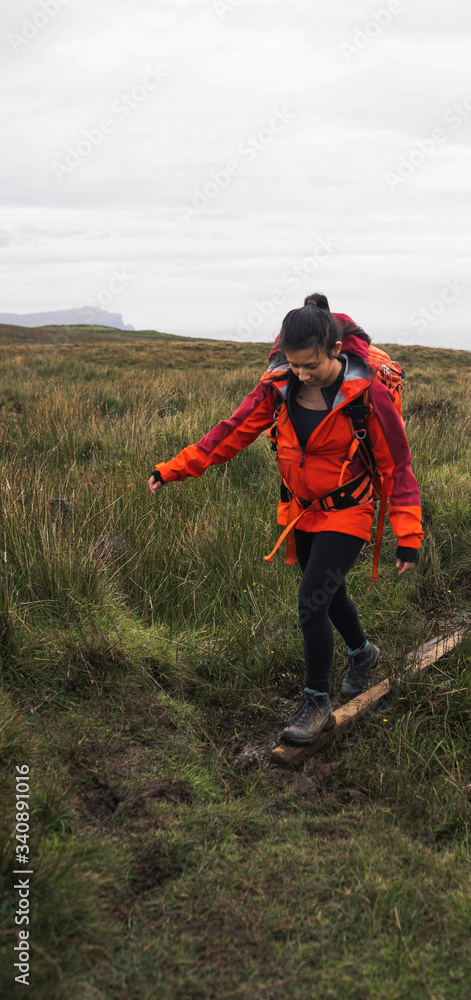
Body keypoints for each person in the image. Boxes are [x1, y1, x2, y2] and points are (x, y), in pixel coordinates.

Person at [148, 295, 424, 745]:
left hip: (349, 511)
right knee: (331, 595)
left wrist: (407, 535)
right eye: (294, 364)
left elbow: (397, 466)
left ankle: (316, 702)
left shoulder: (368, 395)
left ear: (336, 349)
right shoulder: (277, 386)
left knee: (311, 602)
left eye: (310, 365)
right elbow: (228, 434)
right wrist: (172, 468)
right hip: (300, 511)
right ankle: (363, 653)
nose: (301, 375)